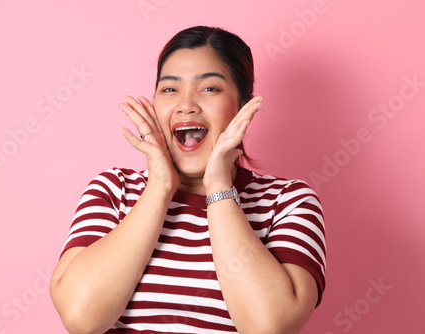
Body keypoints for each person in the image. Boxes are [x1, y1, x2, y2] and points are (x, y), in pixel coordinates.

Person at [50, 26, 326, 334]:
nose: (186, 104)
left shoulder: (288, 202)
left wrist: (219, 187)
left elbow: (269, 326)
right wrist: (159, 188)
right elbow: (81, 319)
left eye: (209, 88)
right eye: (170, 89)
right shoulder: (114, 190)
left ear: (243, 106)